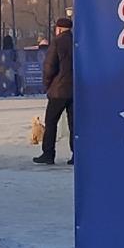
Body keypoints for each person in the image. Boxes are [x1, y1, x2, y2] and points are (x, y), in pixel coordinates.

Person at [35, 15, 74, 166]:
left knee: (51, 122)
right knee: (74, 124)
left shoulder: (57, 42)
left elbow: (49, 66)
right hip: (75, 89)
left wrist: (47, 84)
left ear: (58, 29)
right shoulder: (76, 42)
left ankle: (48, 153)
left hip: (59, 90)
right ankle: (76, 154)